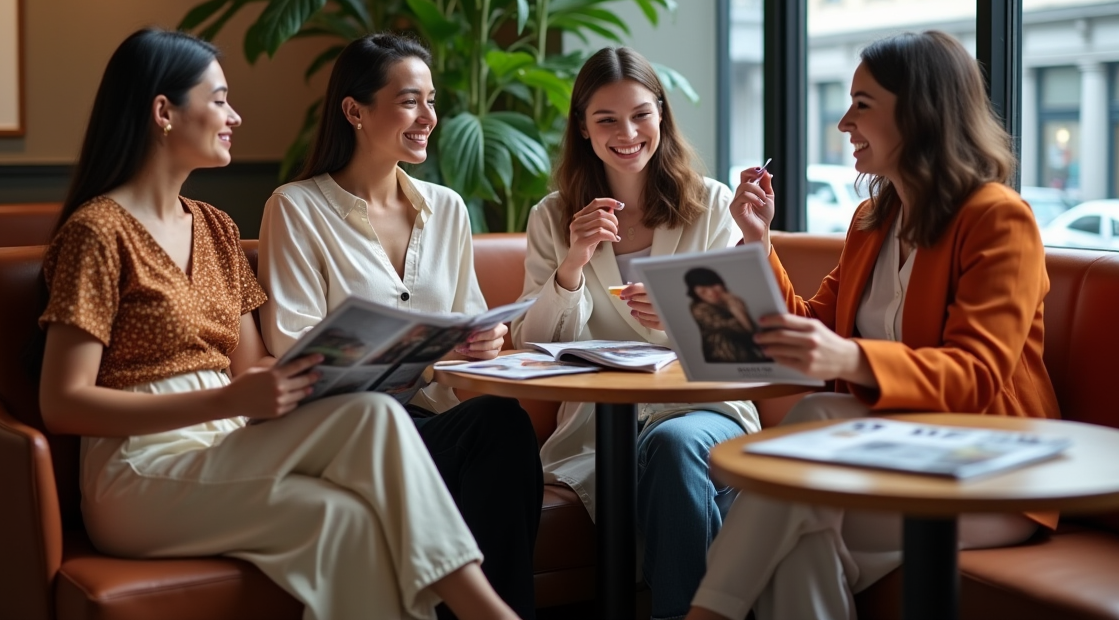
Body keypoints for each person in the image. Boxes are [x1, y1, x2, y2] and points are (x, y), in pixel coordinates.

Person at [38, 28, 519, 620]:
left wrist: (297, 380)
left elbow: (254, 369)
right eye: (218, 100)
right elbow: (62, 403)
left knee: (358, 476)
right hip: (139, 469)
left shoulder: (213, 227)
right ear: (163, 112)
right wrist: (224, 402)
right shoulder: (97, 231)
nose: (234, 115)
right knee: (361, 471)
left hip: (223, 443)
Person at [686, 30, 1061, 620]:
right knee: (801, 535)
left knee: (805, 462)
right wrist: (758, 242)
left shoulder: (998, 219)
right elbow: (811, 329)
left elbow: (975, 375)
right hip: (889, 455)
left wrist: (849, 360)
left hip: (992, 468)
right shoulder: (872, 220)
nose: (842, 123)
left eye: (862, 104)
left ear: (920, 112)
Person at [257, 33, 544, 620]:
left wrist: (478, 347)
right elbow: (295, 349)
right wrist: (428, 354)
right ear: (354, 110)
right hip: (349, 433)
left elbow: (467, 371)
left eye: (431, 101)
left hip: (432, 425)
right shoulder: (295, 207)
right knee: (491, 434)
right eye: (410, 101)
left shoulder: (449, 210)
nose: (429, 118)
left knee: (500, 422)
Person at [512, 46, 761, 620]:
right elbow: (533, 344)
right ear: (583, 128)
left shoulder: (712, 204)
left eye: (642, 114)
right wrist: (573, 263)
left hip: (702, 406)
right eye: (606, 120)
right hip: (600, 426)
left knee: (674, 447)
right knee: (662, 464)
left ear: (662, 117)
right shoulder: (554, 217)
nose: (627, 133)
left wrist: (677, 315)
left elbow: (739, 343)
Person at [683, 268, 763, 364]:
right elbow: (745, 330)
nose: (711, 293)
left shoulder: (731, 301)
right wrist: (736, 309)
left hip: (746, 356)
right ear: (694, 293)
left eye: (713, 286)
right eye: (703, 291)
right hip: (722, 357)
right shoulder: (699, 308)